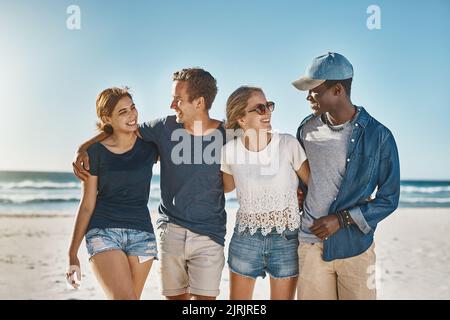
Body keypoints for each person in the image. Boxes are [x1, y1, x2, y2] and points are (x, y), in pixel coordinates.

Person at [72, 68, 226, 300]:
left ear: (199, 102)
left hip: (178, 235)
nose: (172, 105)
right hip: (146, 230)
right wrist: (84, 147)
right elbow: (120, 132)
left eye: (178, 99)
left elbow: (249, 161)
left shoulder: (224, 134)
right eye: (122, 112)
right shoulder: (162, 128)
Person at [292, 52, 400, 300]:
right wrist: (297, 193)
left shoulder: (379, 136)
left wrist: (341, 220)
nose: (308, 96)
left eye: (314, 90)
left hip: (355, 249)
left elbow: (389, 198)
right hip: (310, 245)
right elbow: (303, 179)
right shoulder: (305, 129)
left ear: (338, 90)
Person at [67, 87, 158, 299]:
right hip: (103, 232)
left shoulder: (149, 148)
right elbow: (88, 204)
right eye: (122, 112)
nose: (132, 115)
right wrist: (72, 253)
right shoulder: (94, 154)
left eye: (132, 108)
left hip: (142, 235)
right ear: (107, 118)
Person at [221, 86, 310, 300]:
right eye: (259, 108)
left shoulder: (288, 144)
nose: (267, 112)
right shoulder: (229, 151)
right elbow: (225, 188)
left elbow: (314, 187)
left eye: (268, 106)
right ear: (241, 118)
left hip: (286, 238)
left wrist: (299, 195)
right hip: (245, 238)